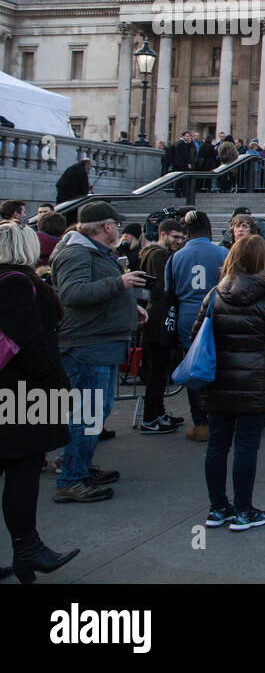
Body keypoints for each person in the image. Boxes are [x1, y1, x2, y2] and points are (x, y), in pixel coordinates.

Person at [47, 201, 146, 502]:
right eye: (115, 223)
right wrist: (120, 283)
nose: (117, 228)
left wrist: (130, 308)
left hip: (99, 341)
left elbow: (94, 291)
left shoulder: (90, 252)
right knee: (88, 413)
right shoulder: (77, 253)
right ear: (107, 226)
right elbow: (73, 294)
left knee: (94, 412)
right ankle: (72, 478)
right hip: (89, 345)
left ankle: (79, 467)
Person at [197, 233, 265, 532]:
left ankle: (217, 507)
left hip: (218, 378)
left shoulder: (214, 294)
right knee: (246, 446)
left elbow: (195, 337)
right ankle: (243, 510)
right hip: (256, 379)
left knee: (217, 445)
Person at [0, 222, 80, 582]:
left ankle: (25, 550)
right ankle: (27, 547)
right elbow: (29, 342)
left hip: (15, 390)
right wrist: (55, 380)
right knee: (23, 469)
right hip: (21, 392)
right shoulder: (16, 283)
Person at [166, 211, 229, 442]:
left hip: (187, 318)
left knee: (194, 368)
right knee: (220, 366)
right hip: (217, 314)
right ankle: (221, 417)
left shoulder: (175, 257)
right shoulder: (223, 252)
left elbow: (169, 292)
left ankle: (200, 422)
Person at [137, 219, 187, 434]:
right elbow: (162, 286)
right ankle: (151, 417)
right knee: (157, 371)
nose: (178, 241)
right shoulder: (158, 255)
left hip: (155, 317)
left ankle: (158, 412)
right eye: (175, 237)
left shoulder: (152, 253)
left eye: (181, 238)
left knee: (159, 371)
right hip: (158, 320)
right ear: (163, 234)